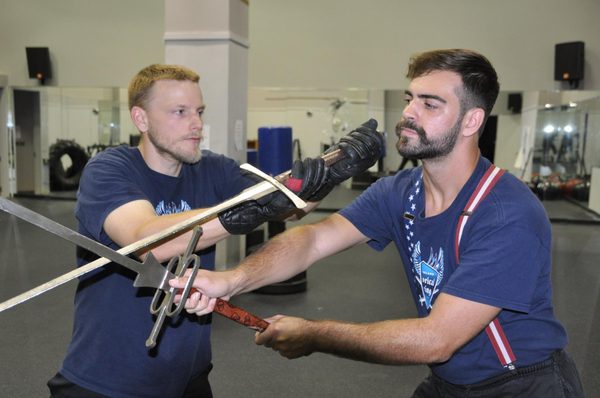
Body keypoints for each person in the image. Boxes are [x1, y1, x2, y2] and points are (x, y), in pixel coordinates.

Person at [172, 50, 585, 397]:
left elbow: (435, 340)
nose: (408, 113)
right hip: (448, 381)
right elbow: (314, 239)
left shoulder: (506, 213)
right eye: (410, 98)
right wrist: (231, 280)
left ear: (473, 122)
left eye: (430, 104)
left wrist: (314, 334)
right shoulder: (400, 191)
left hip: (519, 384)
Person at [47, 64, 383, 398]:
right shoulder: (110, 169)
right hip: (107, 380)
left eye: (199, 111)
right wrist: (246, 210)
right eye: (180, 112)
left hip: (188, 377)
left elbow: (288, 204)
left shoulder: (213, 168)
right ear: (141, 119)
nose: (196, 124)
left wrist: (334, 170)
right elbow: (146, 239)